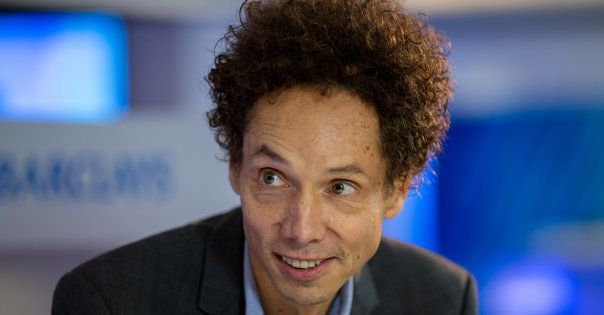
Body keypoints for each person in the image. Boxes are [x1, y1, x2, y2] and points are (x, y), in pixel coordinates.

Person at [52, 0, 477, 314]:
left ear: (396, 188)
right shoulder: (109, 301)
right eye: (273, 177)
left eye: (340, 187)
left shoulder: (440, 297)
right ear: (236, 166)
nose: (301, 229)